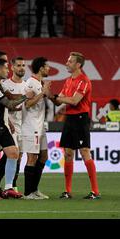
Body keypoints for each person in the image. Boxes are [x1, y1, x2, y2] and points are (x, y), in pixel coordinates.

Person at [0, 57, 34, 200]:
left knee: (13, 152)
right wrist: (25, 97)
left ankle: (9, 187)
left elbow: (8, 100)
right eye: (5, 68)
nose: (8, 71)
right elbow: (9, 104)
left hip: (1, 126)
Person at [48, 52, 100, 199]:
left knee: (84, 152)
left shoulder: (83, 81)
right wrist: (49, 94)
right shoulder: (68, 81)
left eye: (70, 61)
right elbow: (60, 101)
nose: (67, 63)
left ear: (78, 65)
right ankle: (67, 191)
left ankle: (95, 191)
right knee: (68, 153)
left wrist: (60, 98)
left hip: (80, 119)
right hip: (69, 119)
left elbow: (74, 101)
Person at [0, 57, 27, 194]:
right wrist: (9, 122)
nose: (21, 68)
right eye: (18, 65)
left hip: (23, 125)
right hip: (8, 125)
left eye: (23, 65)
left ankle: (10, 185)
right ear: (12, 67)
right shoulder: (5, 84)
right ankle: (2, 185)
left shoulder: (27, 85)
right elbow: (5, 105)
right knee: (10, 154)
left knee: (18, 156)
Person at [22, 57, 51, 199]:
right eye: (47, 66)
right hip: (31, 125)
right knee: (32, 158)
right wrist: (43, 93)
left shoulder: (41, 83)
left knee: (44, 157)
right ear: (41, 68)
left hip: (40, 126)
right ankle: (28, 193)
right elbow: (27, 104)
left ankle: (34, 189)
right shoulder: (30, 83)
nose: (49, 69)